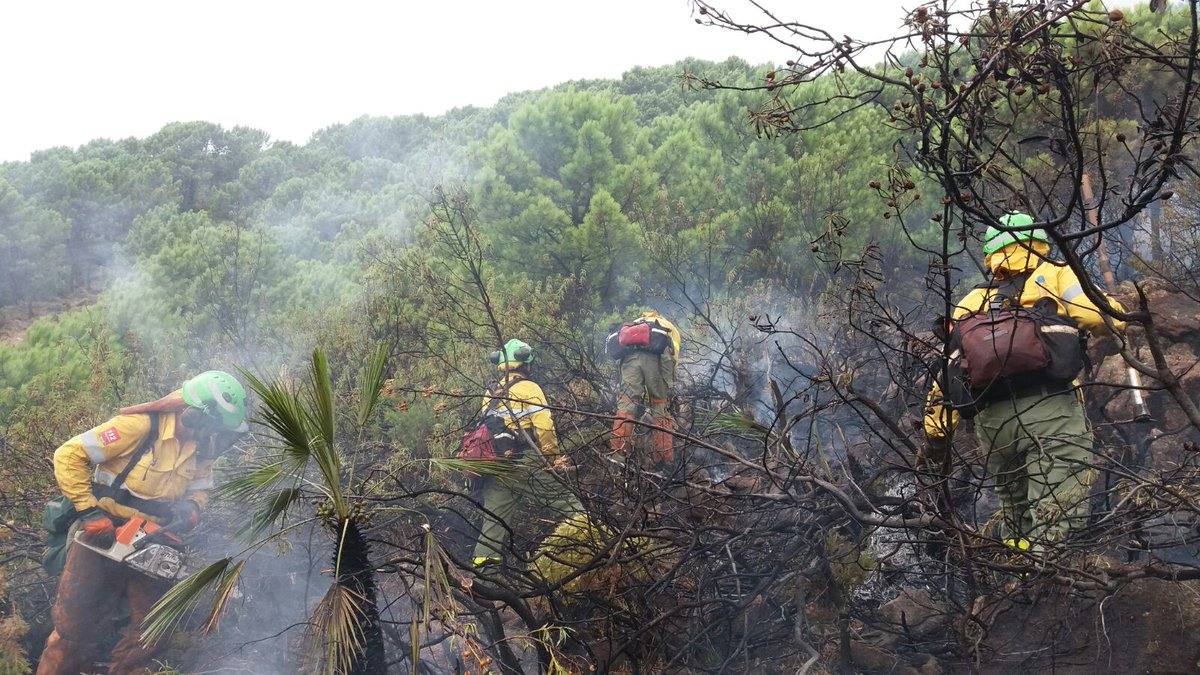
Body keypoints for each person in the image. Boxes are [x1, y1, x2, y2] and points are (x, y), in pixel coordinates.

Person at [924, 213, 1125, 553]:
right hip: (1051, 415)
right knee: (1057, 518)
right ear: (1040, 243)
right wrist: (1118, 314)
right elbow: (1097, 316)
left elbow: (948, 376)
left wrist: (935, 435)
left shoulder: (971, 302)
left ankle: (1017, 581)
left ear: (991, 256)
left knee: (1016, 518)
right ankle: (1050, 589)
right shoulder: (1057, 274)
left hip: (994, 428)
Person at [37, 370, 248, 675]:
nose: (215, 437)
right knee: (73, 633)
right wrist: (88, 512)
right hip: (104, 534)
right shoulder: (139, 426)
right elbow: (69, 454)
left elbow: (201, 488)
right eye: (213, 428)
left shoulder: (204, 448)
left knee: (147, 639)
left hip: (156, 540)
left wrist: (191, 508)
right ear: (193, 415)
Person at [472, 339, 578, 568]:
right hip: (524, 462)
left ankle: (483, 580)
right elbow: (545, 428)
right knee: (570, 504)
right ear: (526, 363)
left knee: (492, 526)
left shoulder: (490, 393)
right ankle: (596, 544)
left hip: (497, 466)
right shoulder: (530, 388)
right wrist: (551, 461)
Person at [610, 310, 682, 463]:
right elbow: (672, 356)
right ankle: (663, 459)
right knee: (660, 405)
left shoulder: (636, 322)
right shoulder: (668, 327)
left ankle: (618, 454)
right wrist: (669, 384)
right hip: (656, 359)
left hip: (630, 359)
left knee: (626, 404)